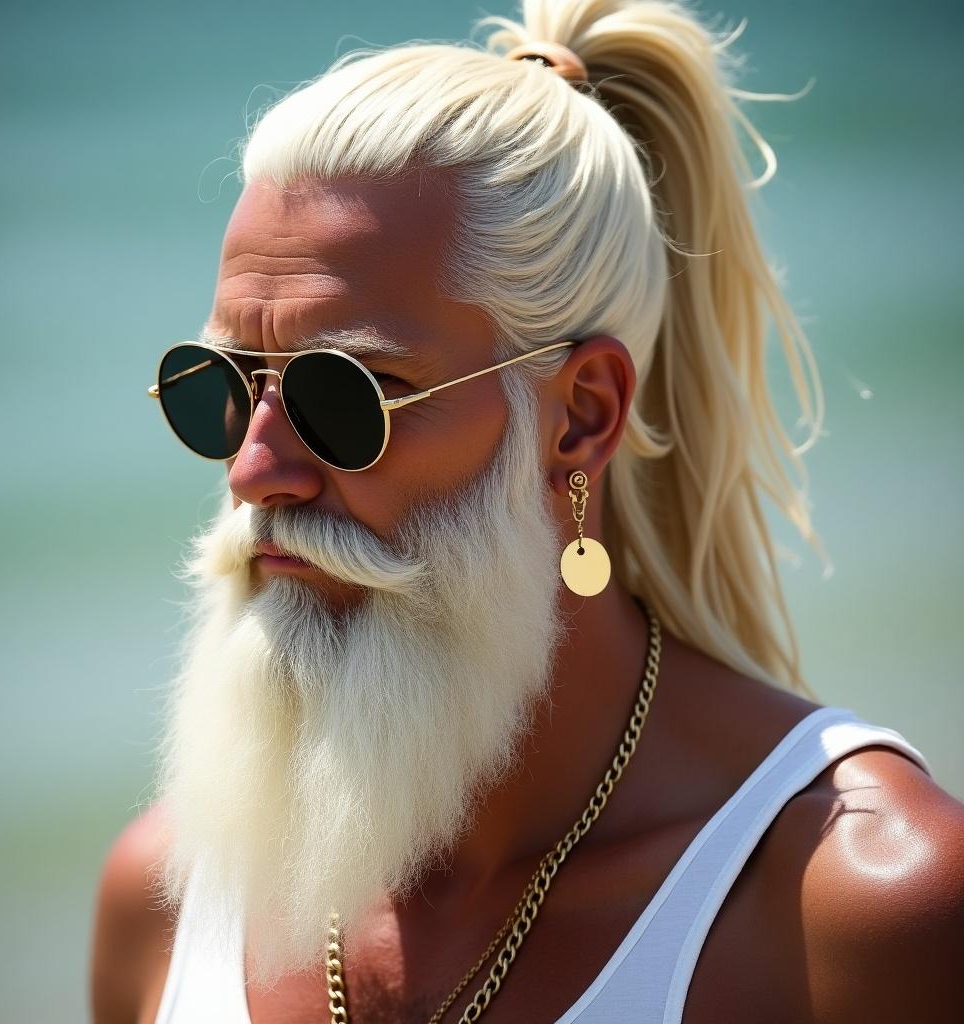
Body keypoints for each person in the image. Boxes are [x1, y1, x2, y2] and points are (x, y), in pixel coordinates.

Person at [89, 1, 964, 1021]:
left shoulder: (852, 909)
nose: (255, 469)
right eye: (224, 384)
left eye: (345, 395)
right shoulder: (170, 892)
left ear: (580, 416)